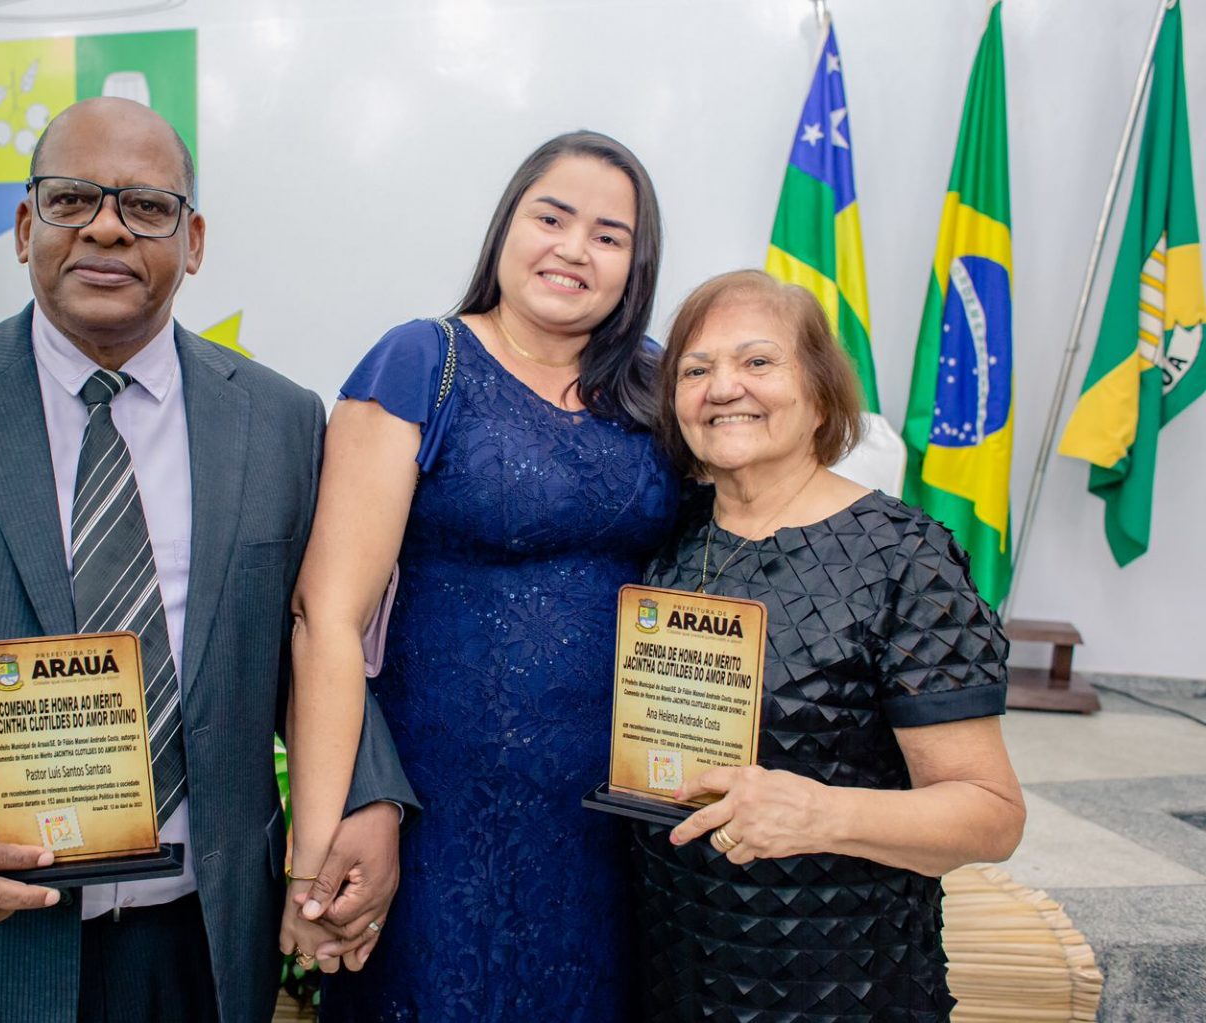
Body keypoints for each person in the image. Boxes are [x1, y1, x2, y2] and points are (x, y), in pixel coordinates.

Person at [0, 97, 415, 1023]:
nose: (107, 227)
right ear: (26, 225)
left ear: (192, 242)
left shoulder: (279, 421)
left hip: (206, 946)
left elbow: (309, 636)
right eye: (72, 199)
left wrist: (369, 797)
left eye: (146, 206)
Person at [280, 131, 680, 1021]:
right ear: (507, 227)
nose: (574, 249)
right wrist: (322, 836)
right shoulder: (425, 361)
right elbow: (326, 616)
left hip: (620, 825)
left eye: (609, 235)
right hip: (440, 815)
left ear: (636, 266)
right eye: (552, 218)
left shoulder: (659, 385)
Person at [631, 268, 1026, 1021]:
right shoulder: (666, 541)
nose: (723, 387)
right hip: (672, 965)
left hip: (841, 977)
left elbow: (991, 815)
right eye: (695, 370)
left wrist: (821, 813)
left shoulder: (904, 558)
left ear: (820, 393)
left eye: (757, 361)